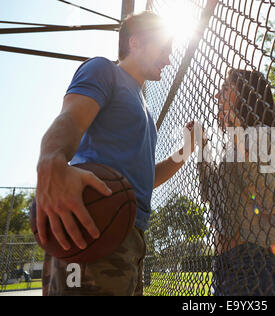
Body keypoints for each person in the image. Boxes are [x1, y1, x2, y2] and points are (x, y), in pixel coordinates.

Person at [36, 11, 197, 296]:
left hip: (130, 234)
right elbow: (71, 118)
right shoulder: (104, 70)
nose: (169, 59)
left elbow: (144, 180)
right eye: (163, 49)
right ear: (135, 42)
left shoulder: (144, 107)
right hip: (92, 224)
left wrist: (185, 150)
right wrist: (51, 160)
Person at [197, 69, 275, 296]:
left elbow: (270, 201)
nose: (216, 96)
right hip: (224, 265)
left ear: (247, 97)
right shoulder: (231, 145)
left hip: (256, 264)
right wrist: (202, 150)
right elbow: (209, 196)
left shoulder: (266, 138)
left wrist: (238, 137)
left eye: (226, 89)